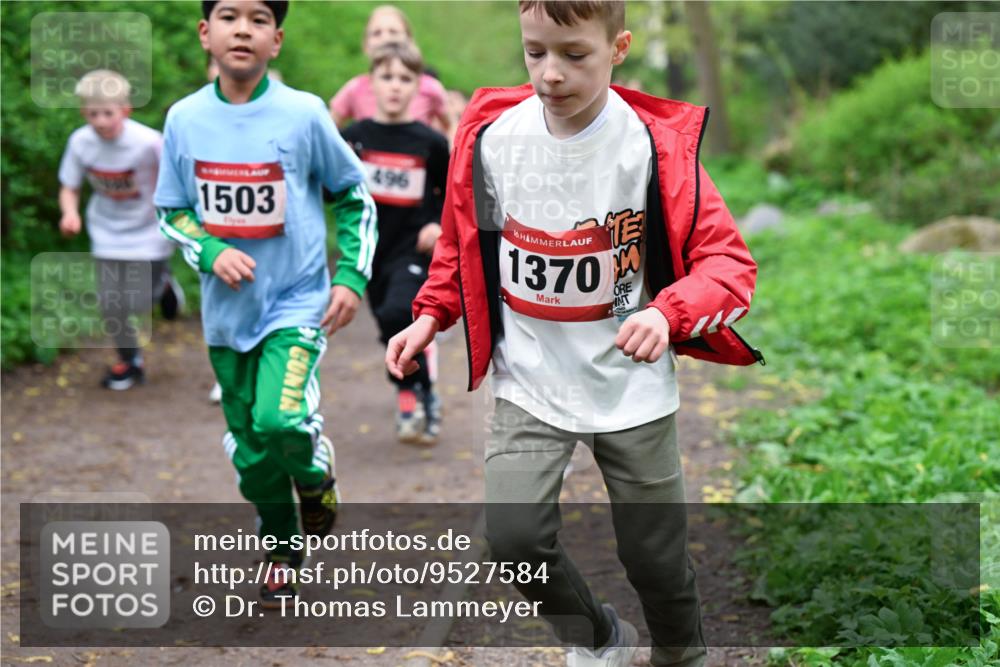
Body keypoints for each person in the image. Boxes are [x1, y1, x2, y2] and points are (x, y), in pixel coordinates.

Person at [386, 2, 763, 665]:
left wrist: (665, 312)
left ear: (618, 48)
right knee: (514, 538)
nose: (550, 74)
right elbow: (462, 245)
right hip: (531, 376)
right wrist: (429, 314)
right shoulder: (495, 138)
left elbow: (728, 266)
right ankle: (598, 639)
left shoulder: (650, 145)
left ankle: (680, 652)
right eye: (535, 53)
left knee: (654, 555)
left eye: (573, 55)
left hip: (631, 383)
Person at [155, 0, 377, 608]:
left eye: (258, 19)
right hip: (226, 318)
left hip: (297, 305)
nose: (243, 29)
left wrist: (351, 277)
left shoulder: (303, 114)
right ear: (206, 33)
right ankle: (282, 546)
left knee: (279, 422)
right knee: (252, 454)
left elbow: (354, 195)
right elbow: (171, 211)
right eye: (229, 16)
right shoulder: (183, 119)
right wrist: (209, 249)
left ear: (275, 40)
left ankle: (315, 473)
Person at [340, 42, 449, 445]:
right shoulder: (354, 138)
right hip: (369, 250)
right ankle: (414, 384)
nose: (395, 86)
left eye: (406, 78)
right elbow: (335, 186)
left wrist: (437, 224)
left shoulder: (430, 142)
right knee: (387, 321)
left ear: (418, 86)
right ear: (372, 82)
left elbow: (449, 192)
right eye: (387, 77)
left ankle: (413, 389)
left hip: (412, 248)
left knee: (398, 309)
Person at [58, 69, 184, 391]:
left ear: (125, 111)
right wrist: (70, 213)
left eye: (107, 113)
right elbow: (69, 186)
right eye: (92, 114)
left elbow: (177, 177)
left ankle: (166, 285)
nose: (100, 121)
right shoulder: (80, 142)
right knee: (111, 303)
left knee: (140, 301)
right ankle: (130, 361)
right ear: (83, 112)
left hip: (148, 231)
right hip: (107, 231)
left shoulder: (149, 142)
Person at [329, 5, 450, 134]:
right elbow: (329, 127)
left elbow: (451, 126)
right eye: (376, 33)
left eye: (393, 32)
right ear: (365, 45)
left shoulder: (430, 87)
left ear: (410, 40)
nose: (385, 38)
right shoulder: (355, 87)